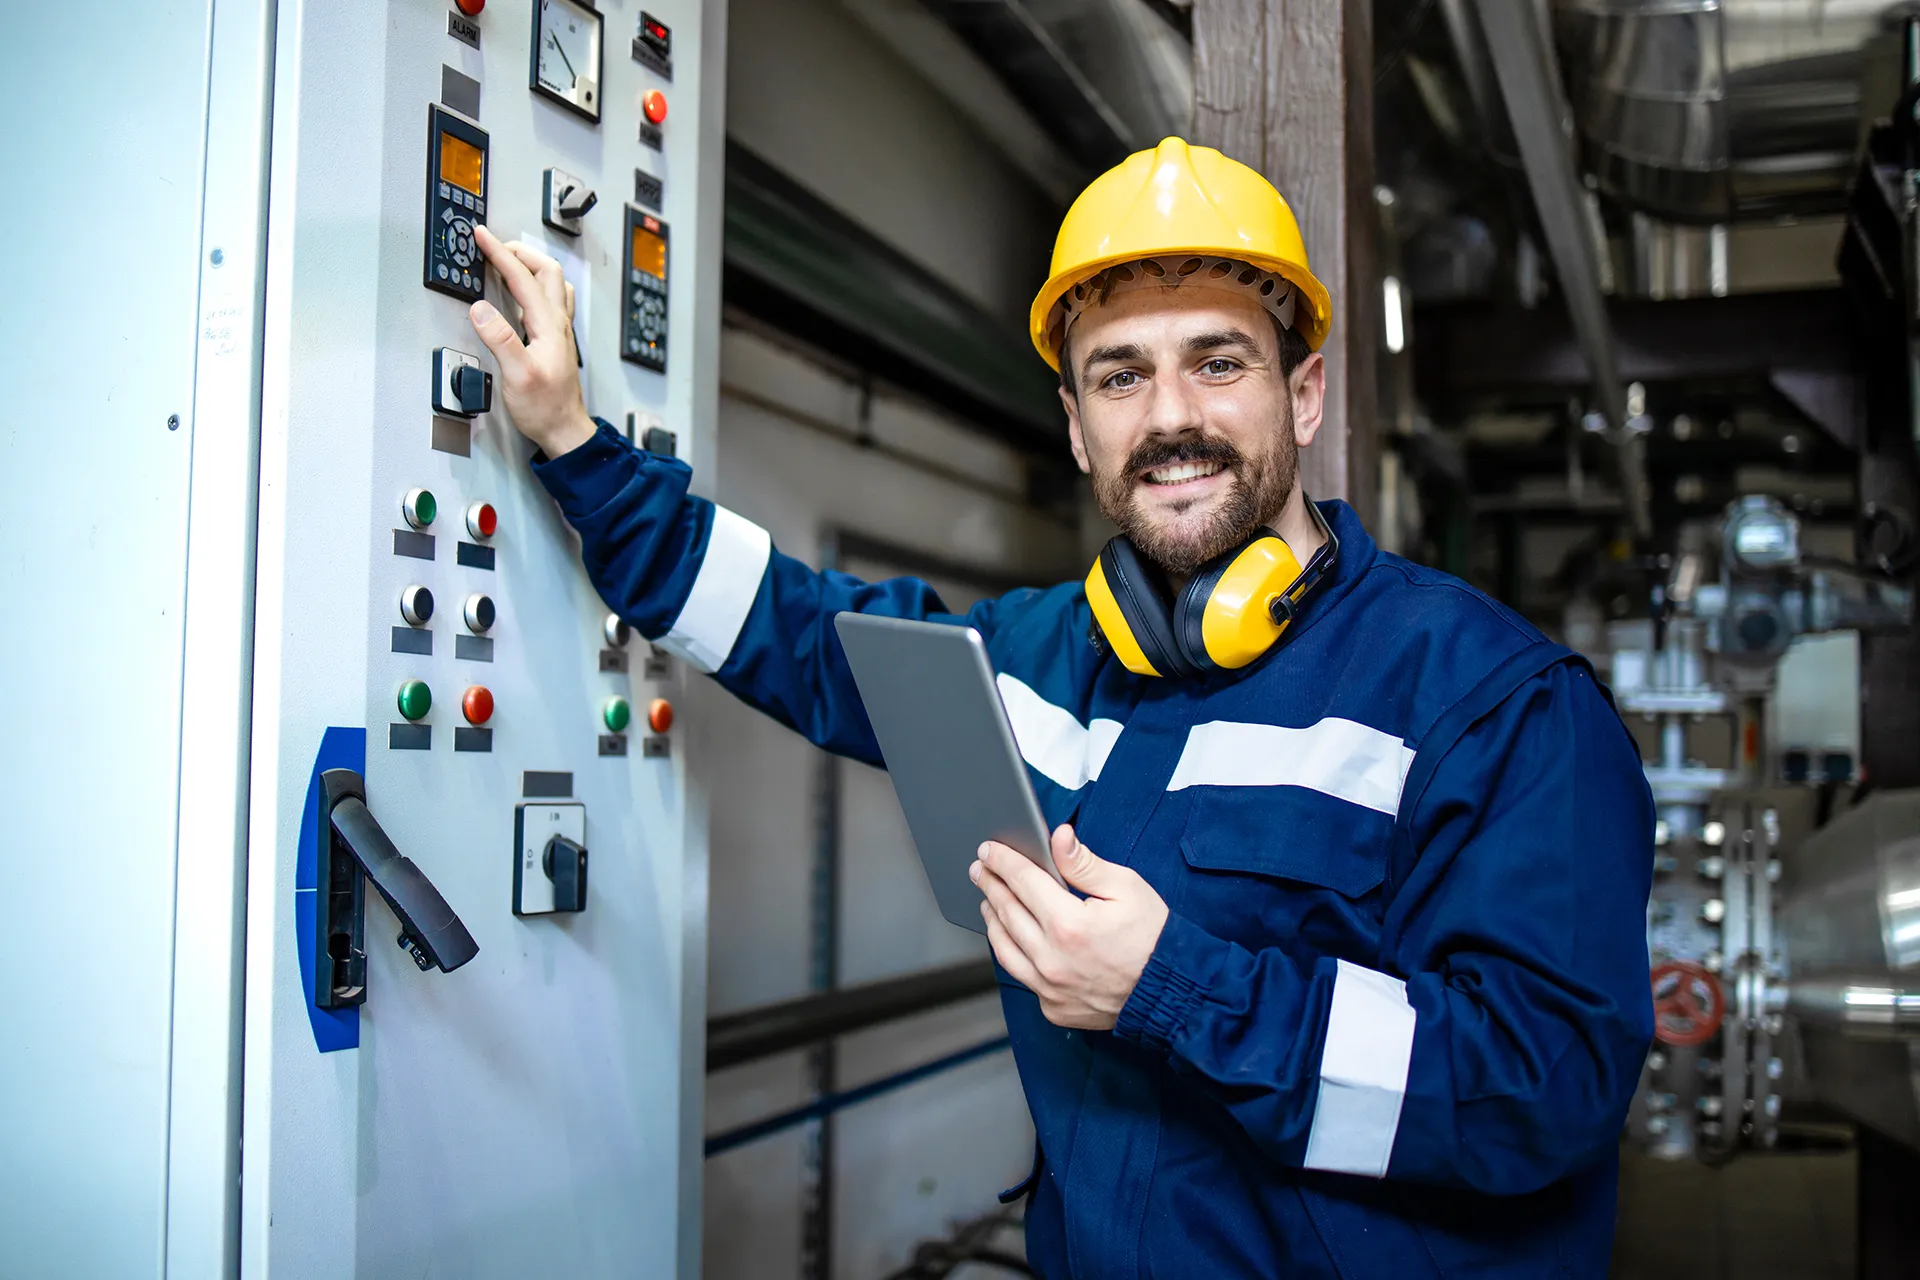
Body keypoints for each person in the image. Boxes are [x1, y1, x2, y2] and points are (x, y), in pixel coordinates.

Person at [466, 137, 1654, 1278]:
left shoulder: (1495, 703)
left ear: (1302, 395)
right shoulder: (1037, 658)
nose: (1170, 415)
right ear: (1079, 428)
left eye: (1218, 361)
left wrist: (1174, 989)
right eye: (1120, 375)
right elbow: (797, 634)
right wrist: (576, 445)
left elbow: (1544, 1086)